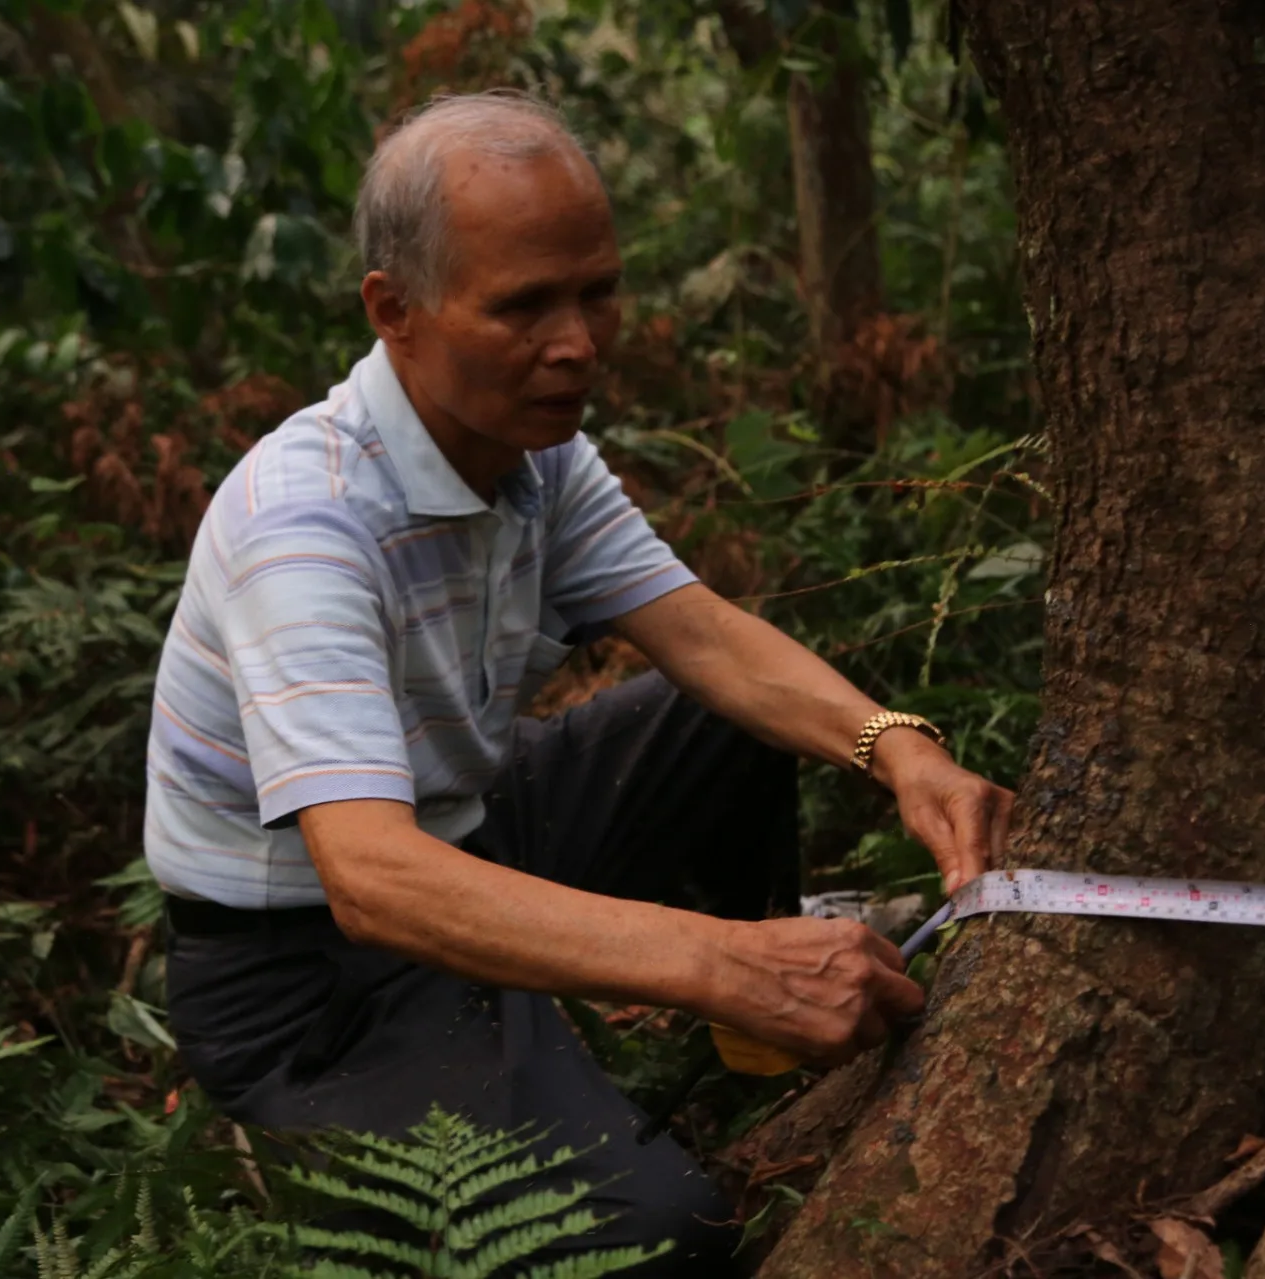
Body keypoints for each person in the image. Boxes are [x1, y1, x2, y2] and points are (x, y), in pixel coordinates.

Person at [147, 90, 1014, 1275]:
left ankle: (740, 1021)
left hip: (473, 831)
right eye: (524, 306)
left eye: (595, 289)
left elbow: (703, 636)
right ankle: (738, 988)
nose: (579, 342)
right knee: (662, 1241)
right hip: (312, 978)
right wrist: (717, 954)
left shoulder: (535, 453)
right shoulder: (305, 525)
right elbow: (373, 879)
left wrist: (899, 745)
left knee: (719, 721)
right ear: (394, 311)